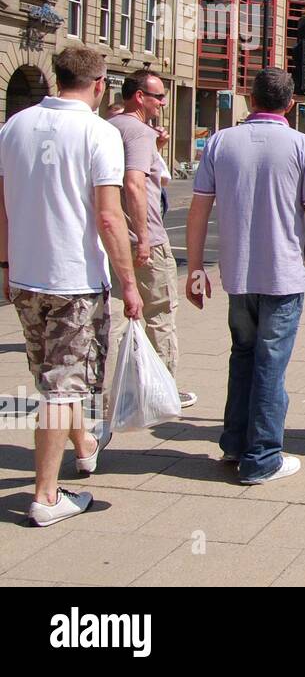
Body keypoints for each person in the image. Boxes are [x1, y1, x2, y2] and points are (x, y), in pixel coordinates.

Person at [0, 46, 142, 526]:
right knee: (62, 388)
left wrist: (3, 264)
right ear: (100, 85)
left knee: (56, 375)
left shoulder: (14, 126)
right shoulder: (99, 133)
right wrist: (129, 283)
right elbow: (108, 216)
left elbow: (2, 204)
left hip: (25, 277)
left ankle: (83, 446)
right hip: (73, 281)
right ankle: (44, 495)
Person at [185, 68, 305, 484]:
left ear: (250, 99)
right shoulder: (304, 146)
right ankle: (263, 457)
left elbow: (199, 210)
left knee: (243, 355)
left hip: (237, 273)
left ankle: (234, 442)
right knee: (271, 363)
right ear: (290, 104)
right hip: (283, 275)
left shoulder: (220, 142)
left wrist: (196, 267)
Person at [108, 70, 193, 408]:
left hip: (109, 237)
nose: (162, 103)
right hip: (146, 240)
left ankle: (113, 393)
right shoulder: (140, 131)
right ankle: (162, 391)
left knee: (115, 318)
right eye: (158, 96)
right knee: (160, 315)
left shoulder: (107, 127)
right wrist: (143, 237)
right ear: (139, 97)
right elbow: (133, 184)